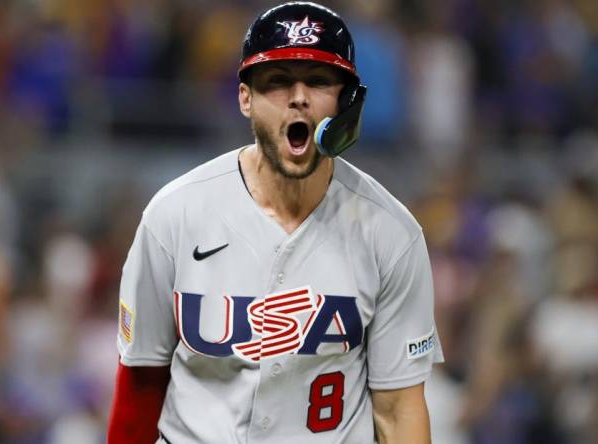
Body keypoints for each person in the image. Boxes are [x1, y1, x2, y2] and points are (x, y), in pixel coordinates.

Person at [107, 2, 443, 443]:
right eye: (278, 82)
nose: (299, 97)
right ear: (245, 97)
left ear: (347, 101)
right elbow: (140, 384)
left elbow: (398, 411)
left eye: (319, 81)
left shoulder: (391, 234)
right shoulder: (175, 216)